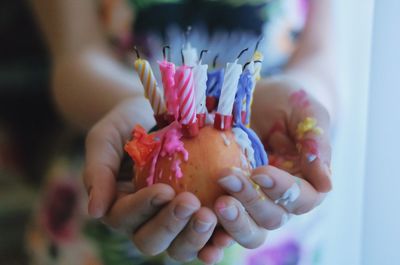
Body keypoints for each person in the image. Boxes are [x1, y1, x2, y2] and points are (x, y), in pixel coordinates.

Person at [32, 0, 336, 264]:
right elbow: (75, 58)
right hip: (108, 194)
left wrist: (300, 101)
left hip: (272, 228)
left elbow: (325, 61)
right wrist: (142, 110)